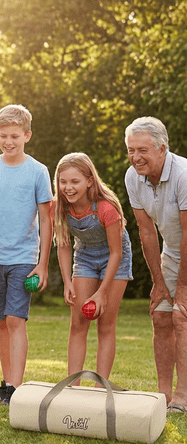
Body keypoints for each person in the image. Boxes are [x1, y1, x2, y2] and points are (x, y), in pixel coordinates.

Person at [0, 104, 52, 405]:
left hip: (23, 257)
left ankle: (16, 389)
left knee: (15, 319)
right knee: (1, 322)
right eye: (3, 136)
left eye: (15, 136)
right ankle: (6, 384)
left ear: (27, 135)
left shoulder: (37, 171)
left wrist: (43, 264)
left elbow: (47, 219)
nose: (8, 142)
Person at [125, 116, 187, 412]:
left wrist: (183, 288)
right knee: (161, 315)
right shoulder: (132, 177)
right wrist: (159, 283)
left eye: (143, 150)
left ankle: (183, 396)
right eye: (131, 150)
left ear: (162, 149)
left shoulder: (183, 175)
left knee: (182, 316)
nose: (136, 157)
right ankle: (162, 396)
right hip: (173, 253)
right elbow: (147, 231)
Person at [53, 152, 133, 381]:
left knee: (105, 325)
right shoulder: (60, 207)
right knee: (78, 321)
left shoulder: (106, 208)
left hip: (115, 259)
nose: (68, 187)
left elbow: (116, 252)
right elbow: (64, 245)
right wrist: (68, 281)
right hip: (86, 257)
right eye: (63, 181)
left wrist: (102, 292)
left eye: (74, 181)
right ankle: (72, 385)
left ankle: (101, 388)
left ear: (89, 181)